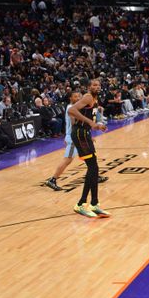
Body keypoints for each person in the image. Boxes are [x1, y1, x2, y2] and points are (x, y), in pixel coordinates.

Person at [44, 92, 109, 191]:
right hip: (73, 137)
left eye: (79, 96)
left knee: (89, 156)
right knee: (68, 159)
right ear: (70, 98)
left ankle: (95, 176)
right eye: (75, 96)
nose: (78, 98)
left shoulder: (79, 107)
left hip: (79, 136)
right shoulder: (71, 107)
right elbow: (74, 123)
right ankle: (52, 180)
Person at [67, 80, 110, 218]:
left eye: (98, 85)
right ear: (89, 87)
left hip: (85, 134)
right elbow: (71, 110)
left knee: (95, 168)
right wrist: (90, 123)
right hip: (79, 134)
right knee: (92, 168)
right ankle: (80, 204)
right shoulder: (87, 97)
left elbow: (86, 116)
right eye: (94, 85)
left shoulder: (95, 99)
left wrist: (97, 125)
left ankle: (94, 203)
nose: (97, 87)